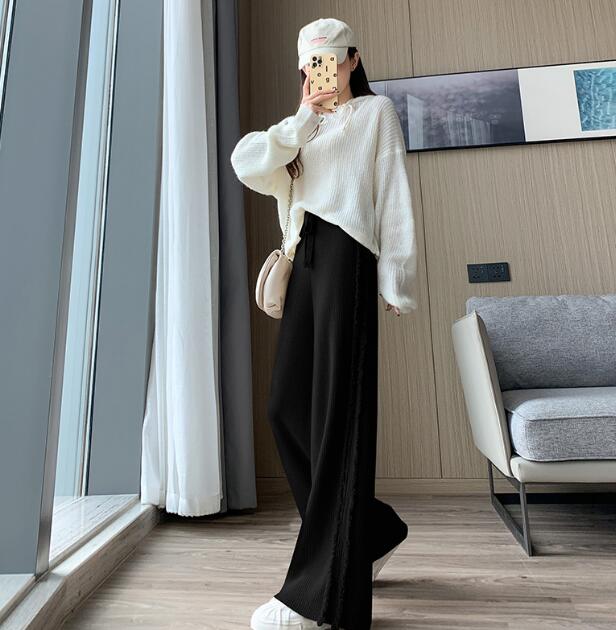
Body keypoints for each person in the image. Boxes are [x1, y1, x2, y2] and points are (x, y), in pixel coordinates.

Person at [230, 17, 417, 630]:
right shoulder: (301, 127)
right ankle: (369, 532)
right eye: (312, 62)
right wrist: (302, 119)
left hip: (348, 258)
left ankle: (317, 599)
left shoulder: (376, 113)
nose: (323, 71)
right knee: (286, 409)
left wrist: (395, 278)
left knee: (337, 417)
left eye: (333, 58)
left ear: (353, 59)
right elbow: (248, 164)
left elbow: (393, 193)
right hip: (304, 258)